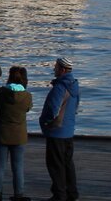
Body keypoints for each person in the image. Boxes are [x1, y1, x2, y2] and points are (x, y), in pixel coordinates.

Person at [0, 65, 32, 201]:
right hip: (19, 135)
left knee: (0, 165)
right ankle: (18, 195)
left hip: (1, 133)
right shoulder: (27, 96)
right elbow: (28, 109)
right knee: (18, 167)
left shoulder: (0, 92)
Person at [40, 56, 80, 201]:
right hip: (68, 130)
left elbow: (52, 109)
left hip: (56, 131)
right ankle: (72, 192)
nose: (54, 69)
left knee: (55, 165)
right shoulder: (74, 85)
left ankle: (59, 194)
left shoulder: (60, 87)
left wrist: (46, 123)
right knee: (67, 163)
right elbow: (75, 107)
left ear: (62, 70)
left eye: (56, 66)